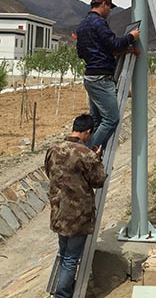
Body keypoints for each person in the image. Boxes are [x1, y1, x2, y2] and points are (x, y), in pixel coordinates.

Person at [45, 114, 107, 298]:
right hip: (78, 216)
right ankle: (62, 295)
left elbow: (50, 173)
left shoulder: (53, 150)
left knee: (63, 254)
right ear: (87, 132)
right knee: (71, 259)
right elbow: (98, 181)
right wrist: (96, 159)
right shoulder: (85, 154)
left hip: (58, 212)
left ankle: (62, 288)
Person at [76, 0, 139, 149]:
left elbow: (82, 53)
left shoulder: (82, 25)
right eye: (109, 7)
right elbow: (115, 44)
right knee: (111, 119)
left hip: (90, 77)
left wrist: (125, 51)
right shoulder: (99, 23)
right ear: (104, 4)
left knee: (96, 120)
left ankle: (94, 156)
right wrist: (131, 37)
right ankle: (87, 152)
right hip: (101, 78)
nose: (109, 11)